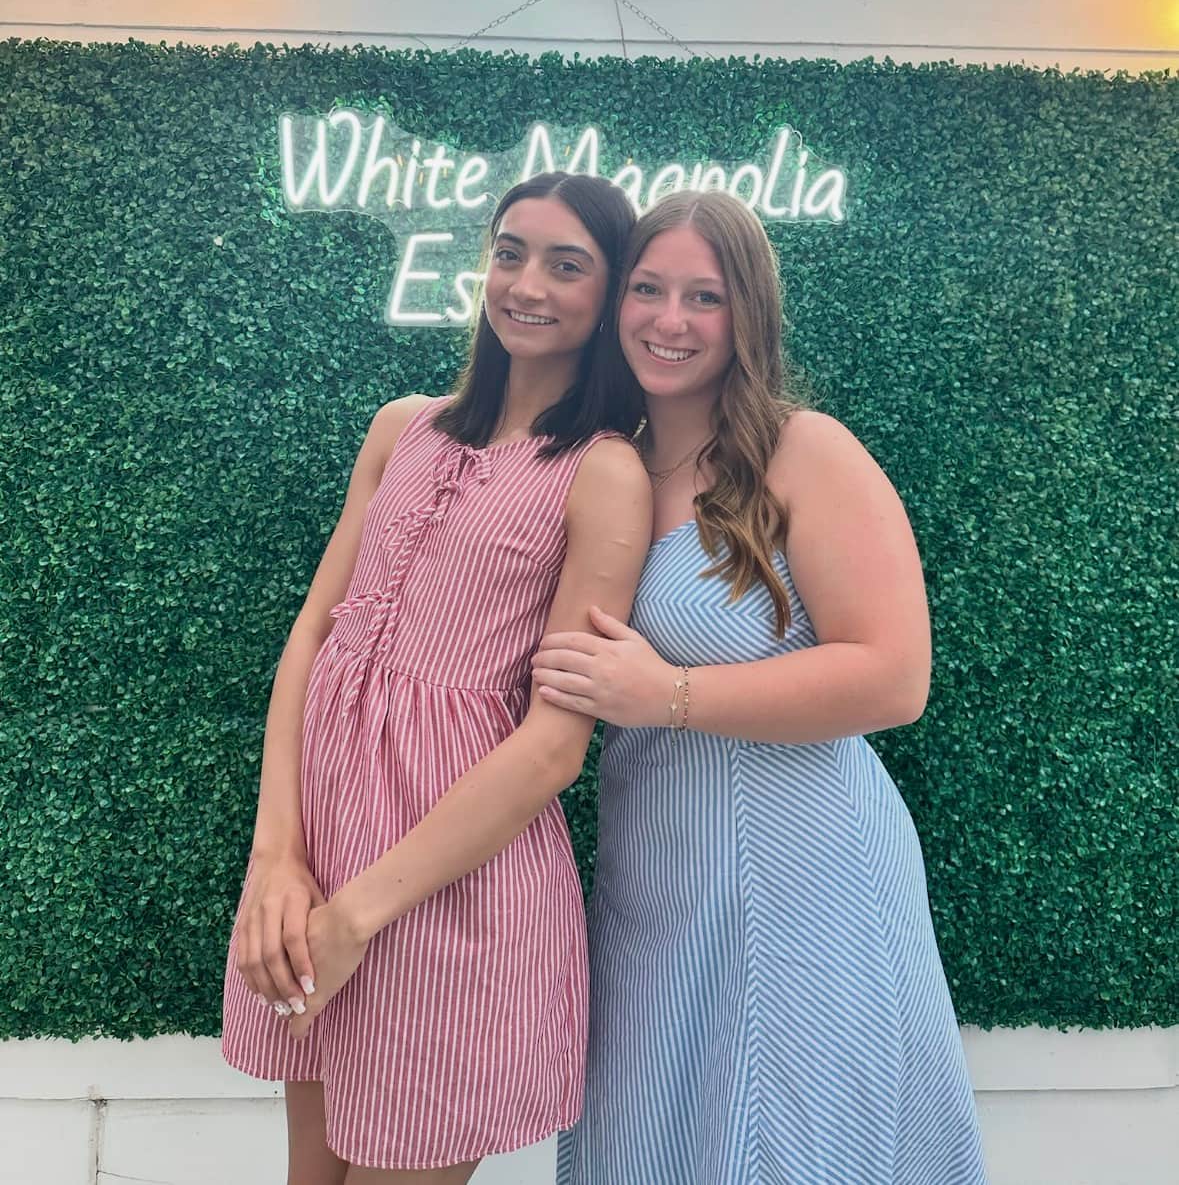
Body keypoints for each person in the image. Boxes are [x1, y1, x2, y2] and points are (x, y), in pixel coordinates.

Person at [537, 190, 988, 1185]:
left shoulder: (804, 450)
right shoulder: (605, 465)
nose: (669, 318)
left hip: (803, 874)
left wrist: (672, 695)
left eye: (704, 295)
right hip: (653, 874)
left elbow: (894, 674)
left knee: (782, 1147)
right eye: (648, 289)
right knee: (648, 1138)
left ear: (749, 314)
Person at [220, 171, 651, 1185]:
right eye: (510, 252)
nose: (526, 283)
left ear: (607, 292)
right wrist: (276, 858)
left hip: (447, 889)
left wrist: (355, 915)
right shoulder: (401, 427)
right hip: (319, 857)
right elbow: (314, 642)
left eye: (566, 263)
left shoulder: (601, 469)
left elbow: (553, 745)